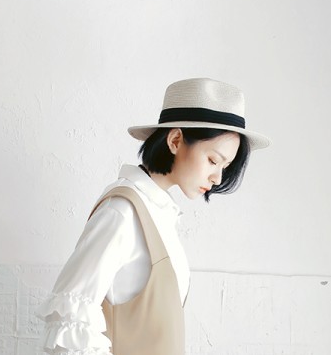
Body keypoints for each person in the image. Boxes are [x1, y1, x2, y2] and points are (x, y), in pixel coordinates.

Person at [37, 78, 270, 355]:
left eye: (225, 166)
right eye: (213, 160)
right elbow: (67, 318)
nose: (218, 177)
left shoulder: (159, 213)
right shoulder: (122, 212)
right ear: (175, 140)